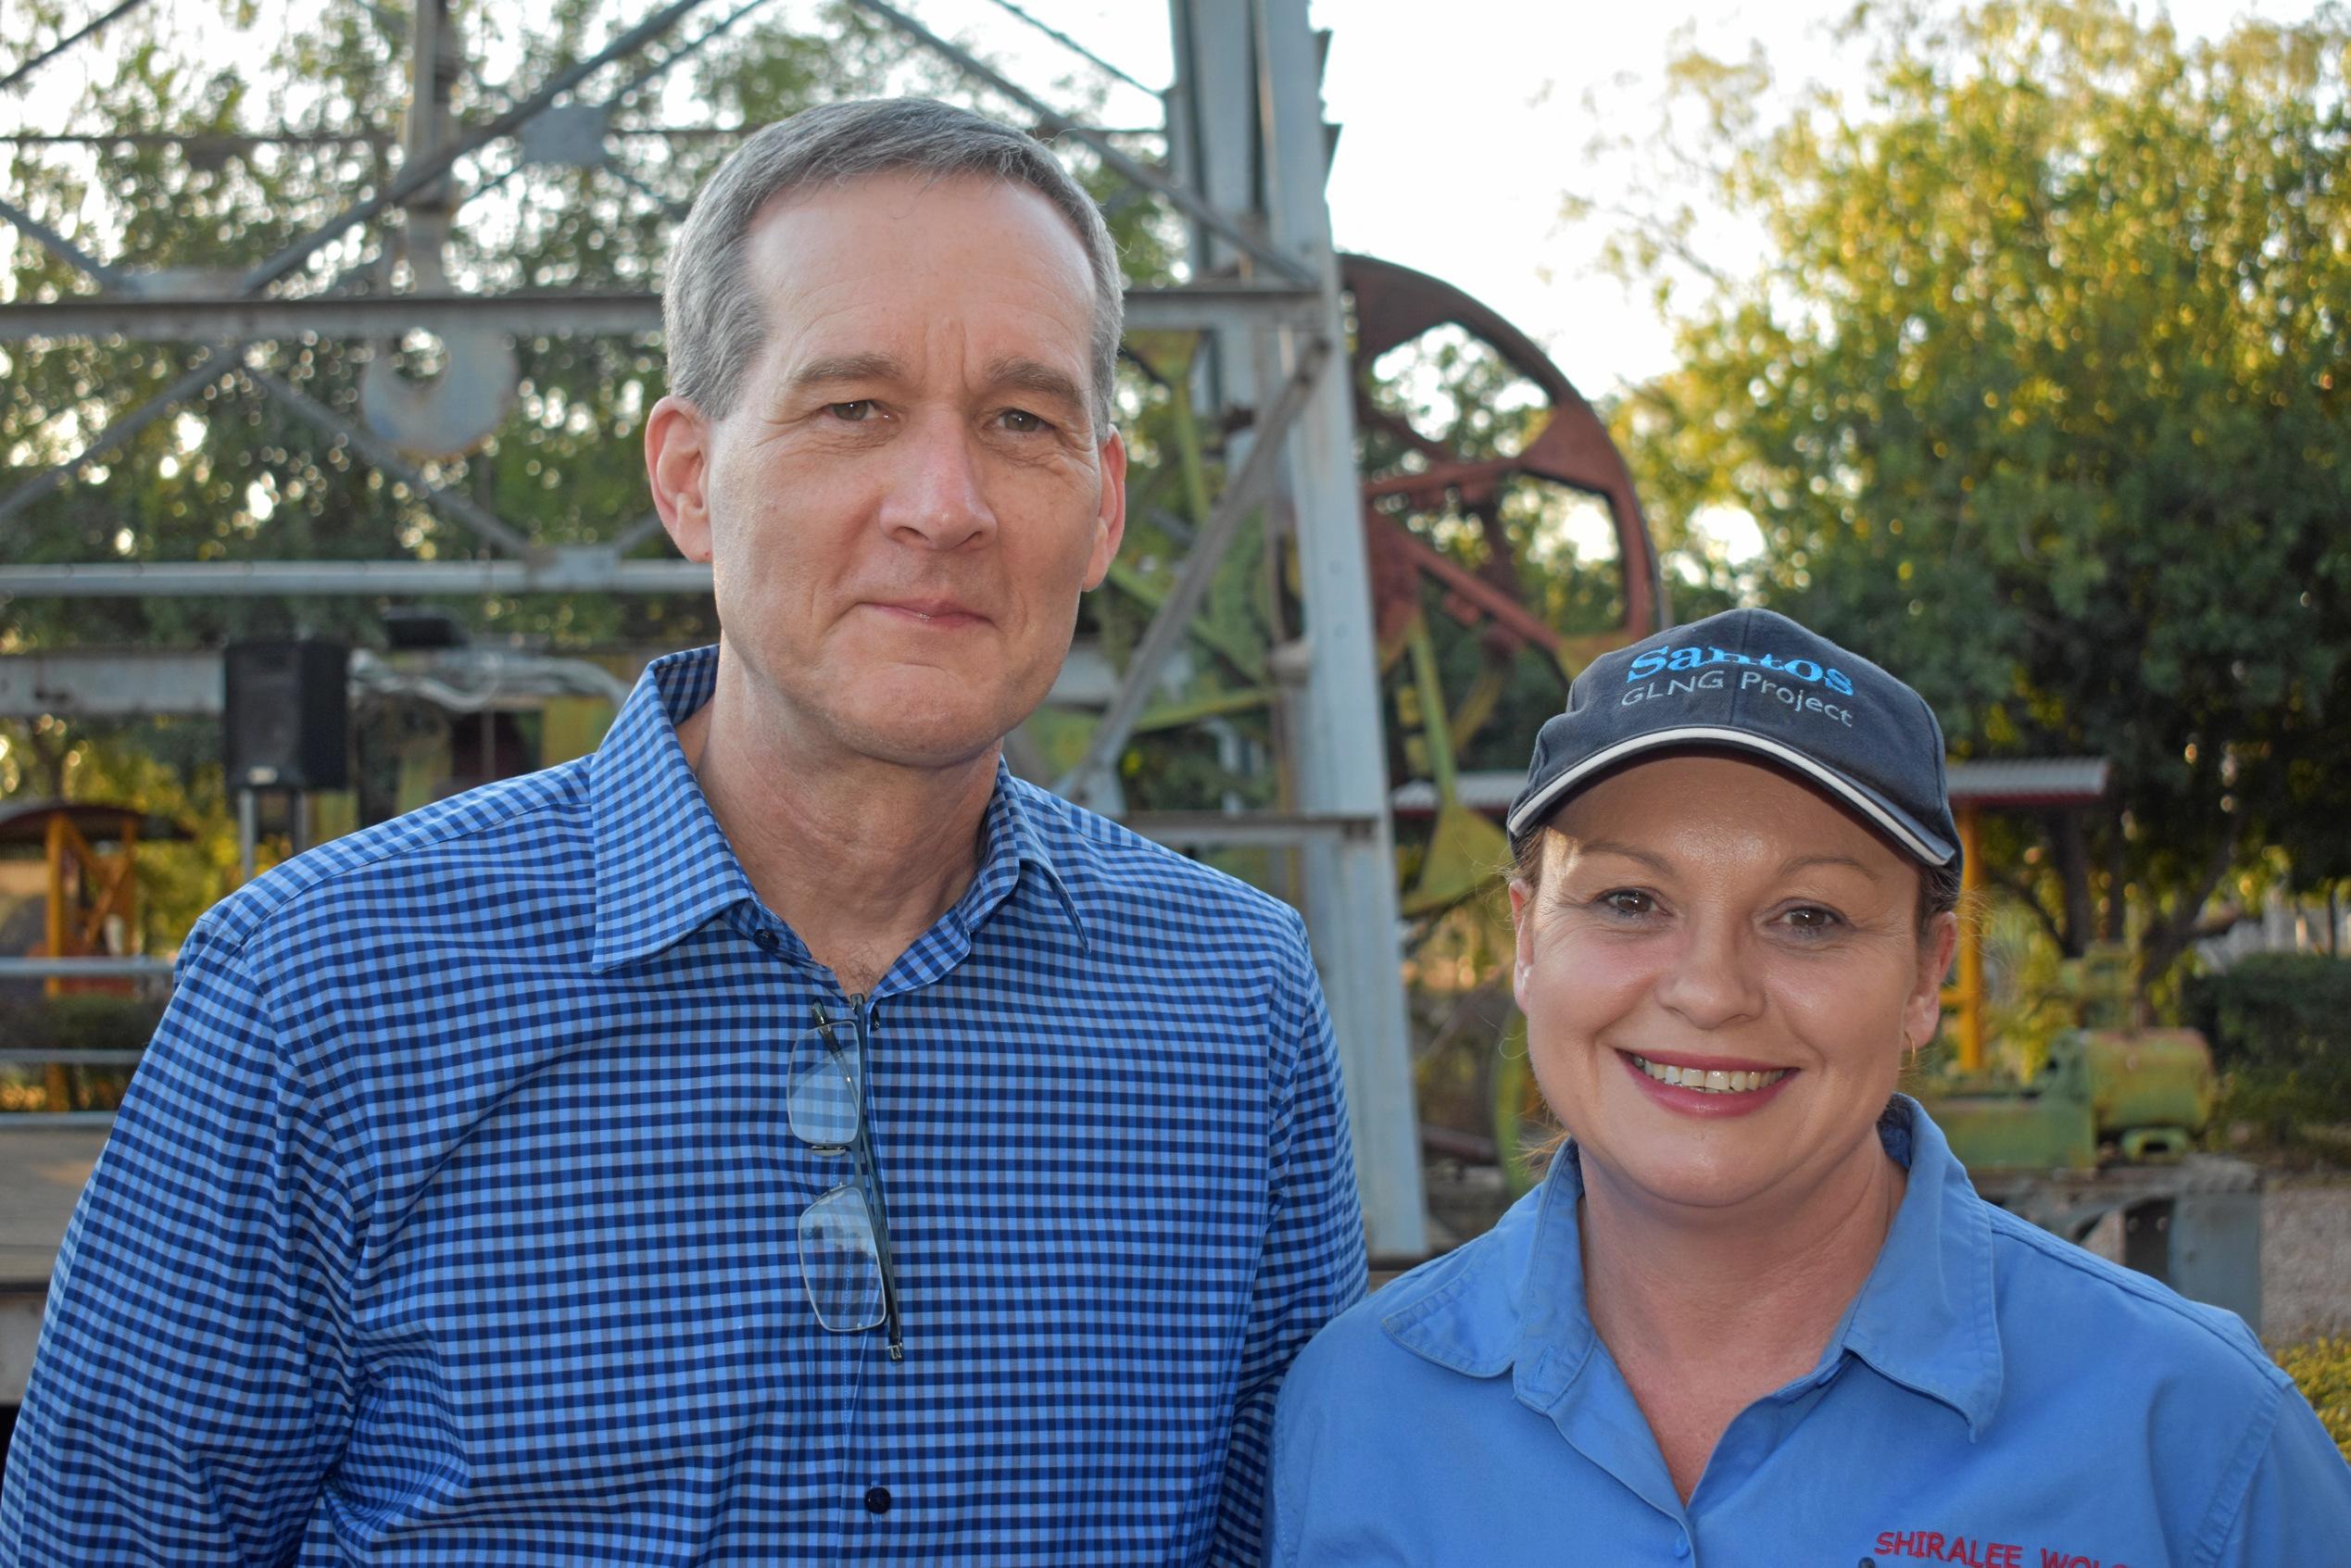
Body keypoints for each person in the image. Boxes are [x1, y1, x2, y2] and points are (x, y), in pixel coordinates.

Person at [0, 98, 1365, 1563]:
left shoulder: (1235, 1001)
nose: (944, 505)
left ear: (1099, 509)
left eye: (1021, 422)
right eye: (853, 409)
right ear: (688, 477)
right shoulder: (317, 996)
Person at [1267, 607, 2351, 1566]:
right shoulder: (1356, 1408)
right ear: (1524, 939)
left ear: (1928, 975)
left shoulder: (2196, 1440)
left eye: (1810, 917)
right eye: (1630, 900)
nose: (1710, 990)